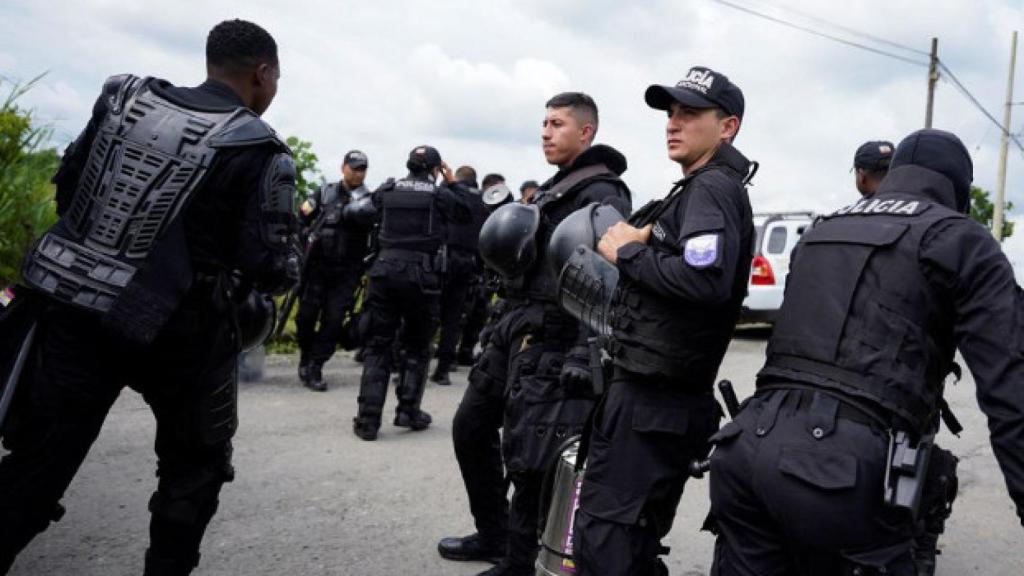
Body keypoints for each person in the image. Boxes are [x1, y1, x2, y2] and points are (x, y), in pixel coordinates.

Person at [0, 19, 297, 575]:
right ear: (263, 73)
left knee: (38, 464)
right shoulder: (260, 148)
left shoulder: (122, 99)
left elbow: (69, 191)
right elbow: (272, 266)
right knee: (194, 469)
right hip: (181, 335)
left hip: (76, 309)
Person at [707, 129, 1024, 575]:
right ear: (959, 188)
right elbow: (1012, 393)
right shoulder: (962, 239)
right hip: (841, 474)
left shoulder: (821, 231)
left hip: (744, 454)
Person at [568, 66, 754, 575]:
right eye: (670, 114)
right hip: (651, 398)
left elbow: (705, 281)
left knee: (608, 544)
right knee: (626, 543)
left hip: (657, 401)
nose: (673, 124)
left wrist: (629, 253)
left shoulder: (713, 188)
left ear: (727, 126)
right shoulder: (694, 189)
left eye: (690, 114)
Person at [441, 92, 632, 576]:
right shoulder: (553, 187)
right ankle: (495, 533)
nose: (546, 131)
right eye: (544, 122)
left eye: (558, 124)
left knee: (532, 456)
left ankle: (519, 562)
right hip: (514, 325)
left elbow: (606, 281)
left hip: (554, 333)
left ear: (586, 132)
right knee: (470, 427)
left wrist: (582, 352)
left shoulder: (604, 193)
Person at [851, 138, 959, 576]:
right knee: (912, 478)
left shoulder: (835, 229)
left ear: (860, 178)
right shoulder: (943, 231)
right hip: (912, 394)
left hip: (841, 399)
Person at [352, 146, 472, 441]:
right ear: (435, 169)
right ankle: (408, 411)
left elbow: (364, 212)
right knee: (417, 346)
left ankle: (368, 420)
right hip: (421, 277)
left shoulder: (389, 188)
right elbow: (467, 213)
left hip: (383, 272)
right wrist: (452, 181)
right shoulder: (439, 194)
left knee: (378, 346)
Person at [294, 150, 372, 391]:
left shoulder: (368, 200)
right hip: (316, 270)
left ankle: (316, 365)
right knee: (304, 317)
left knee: (333, 321)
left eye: (362, 169)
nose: (358, 173)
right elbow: (301, 219)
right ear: (343, 168)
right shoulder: (323, 193)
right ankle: (307, 356)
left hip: (346, 274)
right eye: (354, 167)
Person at [431, 165, 489, 386]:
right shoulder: (483, 200)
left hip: (443, 260)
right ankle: (443, 370)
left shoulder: (449, 194)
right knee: (453, 319)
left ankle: (413, 366)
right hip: (469, 264)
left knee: (431, 314)